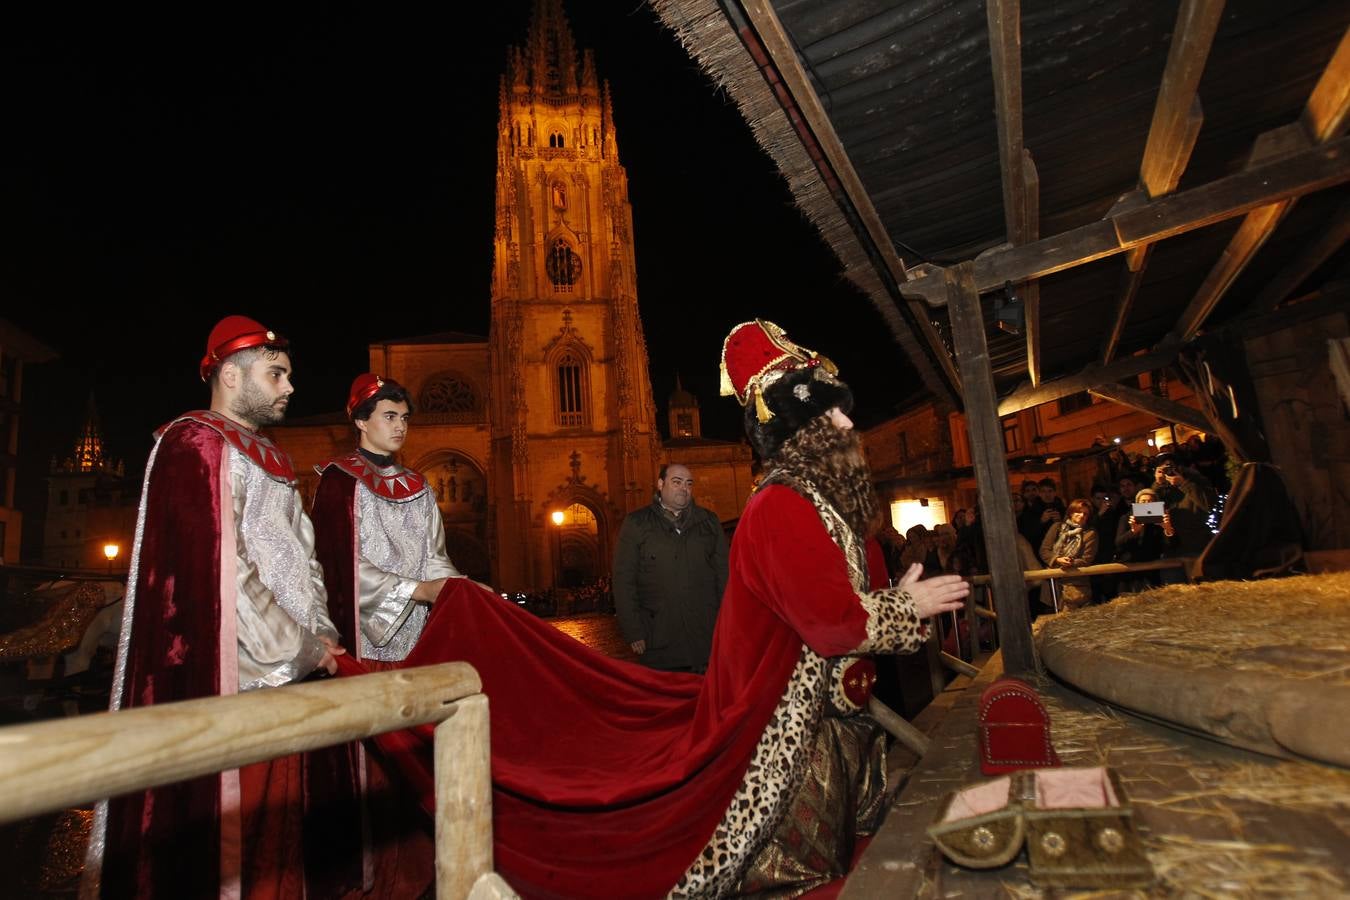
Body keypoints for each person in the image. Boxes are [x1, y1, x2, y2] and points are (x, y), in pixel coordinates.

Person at [337, 319, 968, 898]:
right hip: (787, 733)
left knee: (859, 854)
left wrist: (896, 599)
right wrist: (900, 607)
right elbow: (828, 621)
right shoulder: (777, 504)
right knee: (804, 872)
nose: (850, 430)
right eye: (834, 417)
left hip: (837, 723)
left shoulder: (815, 503)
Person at [85, 316, 351, 899]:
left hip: (291, 673)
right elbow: (221, 565)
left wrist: (324, 634)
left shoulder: (269, 456)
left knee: (276, 838)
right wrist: (300, 646)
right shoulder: (196, 442)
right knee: (229, 836)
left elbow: (305, 561)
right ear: (231, 375)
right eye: (275, 374)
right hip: (234, 674)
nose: (289, 388)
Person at [311, 374, 471, 899]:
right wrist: (417, 590)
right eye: (388, 417)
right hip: (369, 643)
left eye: (404, 418)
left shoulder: (419, 486)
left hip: (417, 643)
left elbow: (437, 557)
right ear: (360, 420)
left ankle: (423, 867)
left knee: (419, 761)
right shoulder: (339, 483)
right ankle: (375, 876)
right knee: (374, 765)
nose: (400, 427)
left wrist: (460, 589)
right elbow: (342, 570)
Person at [612, 462, 728, 673]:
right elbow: (623, 581)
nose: (684, 488)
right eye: (676, 482)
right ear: (660, 484)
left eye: (688, 483)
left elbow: (724, 576)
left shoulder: (709, 522)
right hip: (659, 637)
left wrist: (728, 622)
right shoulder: (636, 524)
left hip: (705, 634)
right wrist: (633, 631)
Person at [1039, 497, 1098, 611]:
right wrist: (1056, 559)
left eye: (1085, 514)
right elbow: (1044, 550)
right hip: (1052, 582)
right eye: (1078, 512)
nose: (1081, 516)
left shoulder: (1090, 533)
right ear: (1071, 512)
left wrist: (1070, 562)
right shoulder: (1057, 527)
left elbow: (1087, 559)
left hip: (1075, 584)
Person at [1114, 487, 1176, 593]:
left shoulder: (1160, 520)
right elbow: (1118, 543)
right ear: (1137, 504)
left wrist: (1167, 529)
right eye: (1143, 502)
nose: (1146, 504)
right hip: (1130, 571)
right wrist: (1133, 532)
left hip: (1152, 570)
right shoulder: (1126, 518)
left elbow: (1172, 546)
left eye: (1150, 502)